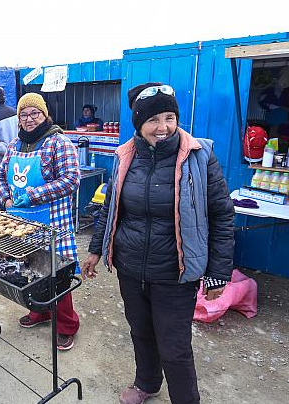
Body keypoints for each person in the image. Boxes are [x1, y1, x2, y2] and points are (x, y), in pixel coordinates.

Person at [83, 83, 235, 404]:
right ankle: (147, 383)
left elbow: (222, 215)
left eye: (169, 117)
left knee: (174, 346)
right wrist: (96, 249)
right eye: (153, 119)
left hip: (175, 272)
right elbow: (110, 207)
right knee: (140, 332)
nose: (163, 127)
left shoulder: (199, 156)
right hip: (131, 267)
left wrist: (218, 273)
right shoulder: (125, 156)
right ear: (139, 123)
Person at [0, 93, 80, 351]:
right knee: (30, 268)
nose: (29, 119)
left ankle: (67, 325)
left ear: (45, 115)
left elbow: (71, 179)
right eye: (24, 114)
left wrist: (33, 195)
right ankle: (40, 311)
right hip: (21, 222)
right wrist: (6, 198)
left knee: (57, 273)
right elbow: (0, 176)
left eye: (35, 113)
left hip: (52, 222)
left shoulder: (59, 142)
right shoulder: (15, 144)